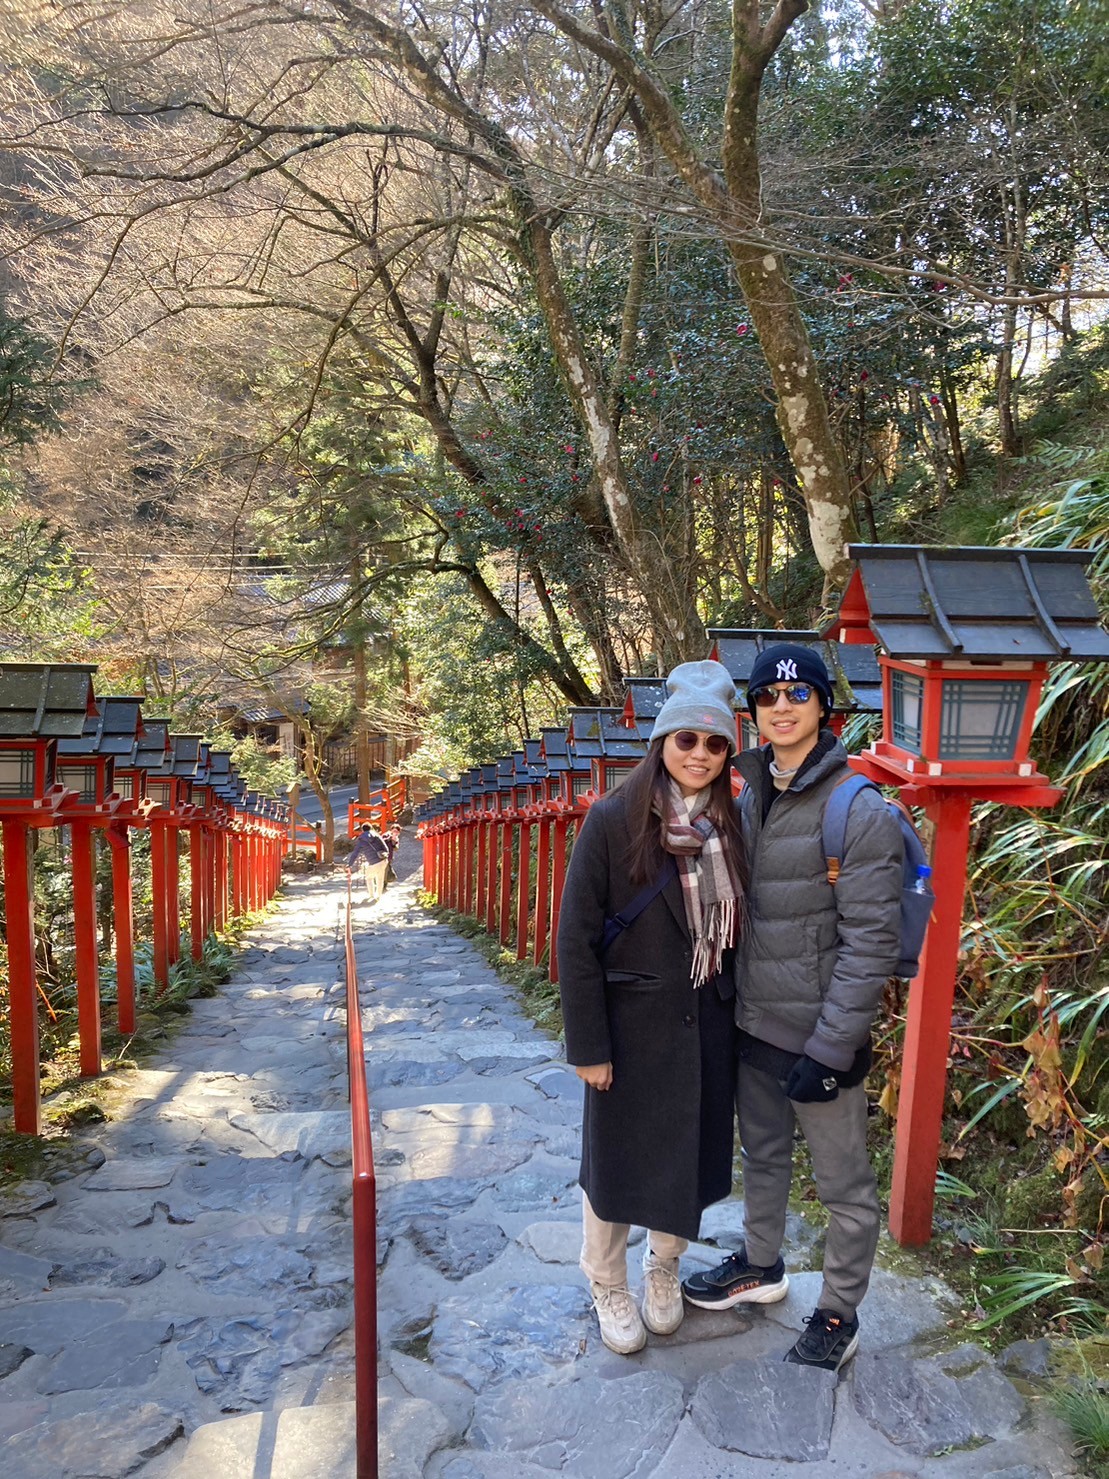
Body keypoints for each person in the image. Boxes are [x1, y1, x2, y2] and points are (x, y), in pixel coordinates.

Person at [680, 643, 903, 1373]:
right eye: (766, 698)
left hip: (821, 1037)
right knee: (764, 1156)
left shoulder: (854, 808)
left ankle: (838, 1308)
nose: (780, 707)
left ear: (822, 707)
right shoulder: (746, 796)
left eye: (796, 695)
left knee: (843, 1186)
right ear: (753, 714)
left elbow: (869, 942)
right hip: (755, 1023)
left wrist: (832, 1047)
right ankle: (761, 1263)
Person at [558, 660, 747, 1355]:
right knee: (613, 1162)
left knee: (684, 1159)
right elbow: (575, 938)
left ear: (728, 752)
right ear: (661, 741)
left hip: (706, 1026)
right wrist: (588, 1045)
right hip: (628, 1030)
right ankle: (606, 1278)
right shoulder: (613, 820)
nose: (698, 754)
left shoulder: (732, 823)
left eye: (713, 743)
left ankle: (662, 1267)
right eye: (686, 739)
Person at [347, 823, 390, 901]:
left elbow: (355, 853)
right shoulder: (377, 836)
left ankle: (371, 895)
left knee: (369, 877)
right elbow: (386, 848)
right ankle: (378, 896)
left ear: (362, 830)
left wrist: (350, 864)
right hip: (382, 860)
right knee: (380, 878)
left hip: (372, 862)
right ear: (371, 828)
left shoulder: (361, 840)